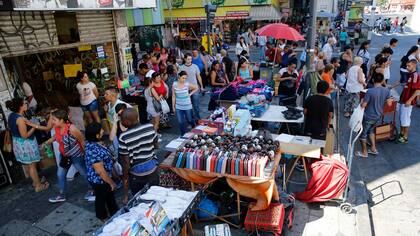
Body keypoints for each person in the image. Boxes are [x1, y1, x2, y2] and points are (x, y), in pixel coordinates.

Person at [45, 109, 93, 203]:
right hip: (64, 155)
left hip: (76, 155)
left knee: (83, 172)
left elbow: (82, 140)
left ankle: (93, 189)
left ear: (61, 120)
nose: (52, 122)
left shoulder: (72, 128)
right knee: (60, 174)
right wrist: (48, 142)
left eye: (54, 120)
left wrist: (88, 154)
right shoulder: (57, 128)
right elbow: (56, 136)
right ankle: (62, 195)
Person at [6, 98, 49, 192]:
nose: (26, 104)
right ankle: (38, 186)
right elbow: (24, 136)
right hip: (26, 144)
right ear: (20, 106)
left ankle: (35, 181)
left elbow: (11, 128)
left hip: (18, 143)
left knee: (30, 165)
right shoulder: (20, 119)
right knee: (32, 165)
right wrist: (34, 126)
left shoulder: (11, 115)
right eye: (25, 103)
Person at [119, 108, 159, 203]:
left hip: (137, 173)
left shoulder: (123, 137)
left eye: (122, 120)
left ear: (128, 121)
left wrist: (125, 177)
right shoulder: (150, 127)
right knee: (155, 194)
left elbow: (126, 163)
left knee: (139, 198)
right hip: (152, 168)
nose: (121, 122)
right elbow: (156, 146)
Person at [85, 123, 119, 222]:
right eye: (101, 130)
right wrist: (111, 183)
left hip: (102, 178)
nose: (103, 131)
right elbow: (100, 171)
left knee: (108, 196)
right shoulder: (93, 150)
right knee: (101, 198)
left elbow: (110, 139)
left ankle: (114, 213)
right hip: (100, 180)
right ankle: (102, 216)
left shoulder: (93, 143)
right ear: (96, 135)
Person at [356, 73, 393, 158]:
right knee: (372, 131)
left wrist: (362, 101)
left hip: (368, 116)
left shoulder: (370, 91)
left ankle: (364, 152)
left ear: (373, 80)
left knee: (363, 134)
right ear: (382, 80)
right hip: (378, 116)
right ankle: (373, 149)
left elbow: (363, 105)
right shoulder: (387, 91)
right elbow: (389, 104)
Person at [397, 59, 420, 144]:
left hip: (407, 102)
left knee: (405, 119)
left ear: (414, 65)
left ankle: (405, 137)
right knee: (402, 118)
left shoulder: (415, 75)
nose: (407, 67)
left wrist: (409, 100)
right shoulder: (410, 74)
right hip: (403, 100)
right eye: (407, 66)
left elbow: (417, 90)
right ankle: (402, 133)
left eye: (409, 66)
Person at [179, 53, 204, 123]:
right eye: (188, 59)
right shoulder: (181, 68)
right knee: (188, 106)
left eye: (190, 59)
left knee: (196, 106)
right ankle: (190, 119)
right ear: (185, 59)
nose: (190, 60)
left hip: (195, 88)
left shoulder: (195, 66)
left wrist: (201, 86)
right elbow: (179, 79)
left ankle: (198, 119)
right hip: (185, 90)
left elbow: (198, 76)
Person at [172, 71, 198, 135]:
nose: (184, 80)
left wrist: (190, 94)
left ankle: (193, 125)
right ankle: (183, 134)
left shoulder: (187, 84)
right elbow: (173, 96)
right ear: (179, 77)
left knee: (189, 119)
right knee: (181, 122)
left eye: (185, 78)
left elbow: (196, 88)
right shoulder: (174, 84)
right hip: (178, 106)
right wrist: (173, 106)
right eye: (183, 78)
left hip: (187, 105)